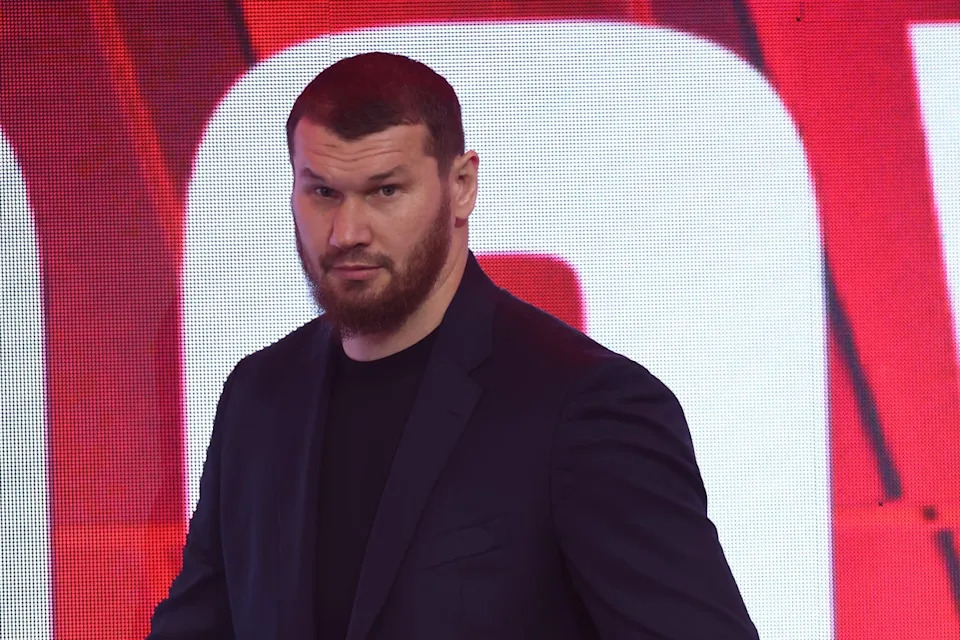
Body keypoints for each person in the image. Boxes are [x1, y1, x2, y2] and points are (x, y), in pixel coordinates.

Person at [148, 52, 758, 639]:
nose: (347, 232)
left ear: (462, 185)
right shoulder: (260, 397)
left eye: (385, 191)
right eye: (324, 192)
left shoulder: (587, 406)